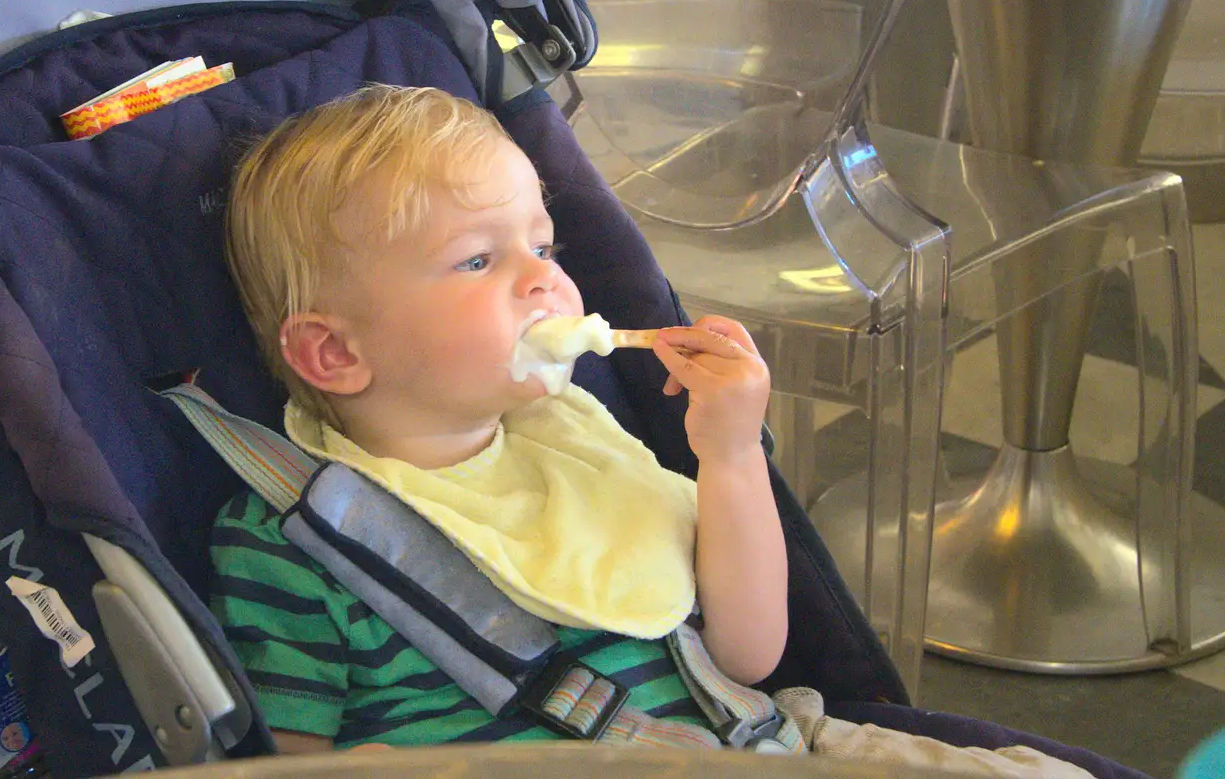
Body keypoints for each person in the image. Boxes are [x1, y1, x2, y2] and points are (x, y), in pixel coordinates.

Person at [209, 84, 1097, 777]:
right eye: (479, 260)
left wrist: (731, 453)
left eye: (544, 247)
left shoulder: (577, 442)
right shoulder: (296, 542)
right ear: (332, 354)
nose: (545, 283)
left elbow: (748, 656)